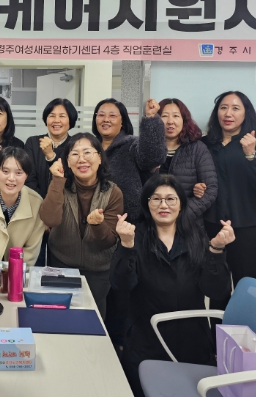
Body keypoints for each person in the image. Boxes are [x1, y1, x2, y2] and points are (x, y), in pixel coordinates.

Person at [112, 174, 234, 397]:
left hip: (192, 341)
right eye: (156, 199)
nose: (163, 205)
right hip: (145, 340)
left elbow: (216, 291)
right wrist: (126, 245)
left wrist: (216, 250)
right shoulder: (135, 236)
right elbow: (122, 284)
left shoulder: (197, 237)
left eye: (170, 199)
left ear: (181, 204)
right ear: (147, 204)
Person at [92, 97, 166, 351]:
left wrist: (152, 120)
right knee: (101, 290)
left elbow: (153, 157)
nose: (106, 119)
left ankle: (120, 347)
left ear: (123, 121)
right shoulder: (91, 148)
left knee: (122, 292)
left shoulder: (131, 145)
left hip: (128, 230)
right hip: (97, 229)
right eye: (101, 114)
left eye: (112, 115)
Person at [39, 133, 123, 317]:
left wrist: (98, 225)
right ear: (68, 162)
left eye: (87, 152)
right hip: (61, 266)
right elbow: (50, 220)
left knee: (92, 320)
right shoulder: (60, 185)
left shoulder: (113, 192)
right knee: (58, 318)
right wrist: (57, 181)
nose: (82, 159)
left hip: (98, 271)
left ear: (100, 158)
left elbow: (108, 241)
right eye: (75, 154)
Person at [203, 91, 256, 297]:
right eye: (223, 108)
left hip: (247, 226)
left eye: (235, 108)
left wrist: (251, 155)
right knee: (215, 286)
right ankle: (217, 320)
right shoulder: (205, 144)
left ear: (245, 113)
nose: (228, 113)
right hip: (211, 223)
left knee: (248, 288)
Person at [24, 97, 78, 266]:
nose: (56, 120)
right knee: (34, 265)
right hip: (36, 217)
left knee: (60, 268)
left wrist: (51, 156)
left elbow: (71, 181)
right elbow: (28, 180)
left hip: (65, 218)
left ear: (70, 120)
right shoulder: (33, 143)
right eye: (52, 115)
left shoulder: (76, 146)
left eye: (62, 116)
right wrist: (44, 215)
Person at [158, 98, 217, 221]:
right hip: (153, 220)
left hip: (187, 223)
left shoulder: (197, 148)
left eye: (176, 116)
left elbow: (210, 190)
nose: (170, 121)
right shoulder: (148, 149)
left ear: (184, 120)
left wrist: (182, 214)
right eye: (164, 116)